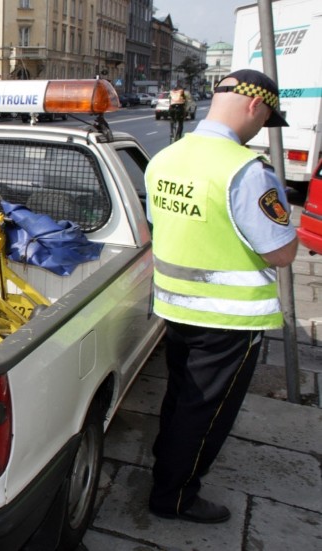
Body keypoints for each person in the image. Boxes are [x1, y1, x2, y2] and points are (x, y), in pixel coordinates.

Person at [144, 69, 297, 524]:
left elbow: (162, 224)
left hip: (175, 307)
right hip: (229, 321)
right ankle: (175, 497)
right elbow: (282, 252)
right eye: (266, 118)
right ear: (255, 106)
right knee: (205, 414)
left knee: (181, 398)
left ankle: (165, 468)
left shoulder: (166, 158)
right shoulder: (246, 171)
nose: (261, 127)